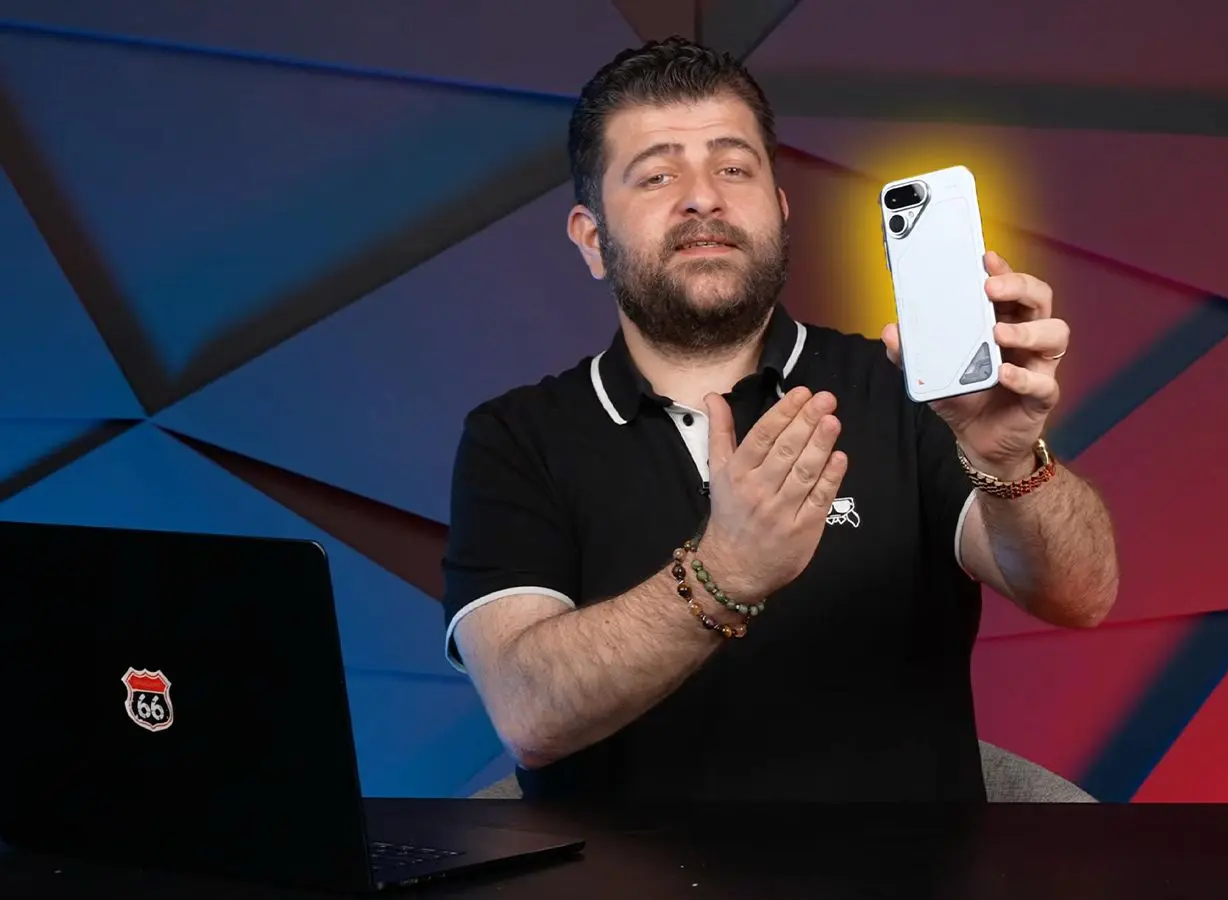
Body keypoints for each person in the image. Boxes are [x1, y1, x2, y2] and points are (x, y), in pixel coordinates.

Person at [440, 36, 1119, 803]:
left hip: (903, 862)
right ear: (593, 240)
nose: (703, 197)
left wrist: (1009, 460)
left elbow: (1080, 595)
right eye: (657, 174)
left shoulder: (909, 389)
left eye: (734, 168)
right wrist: (722, 573)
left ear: (781, 212)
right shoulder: (515, 438)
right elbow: (529, 714)